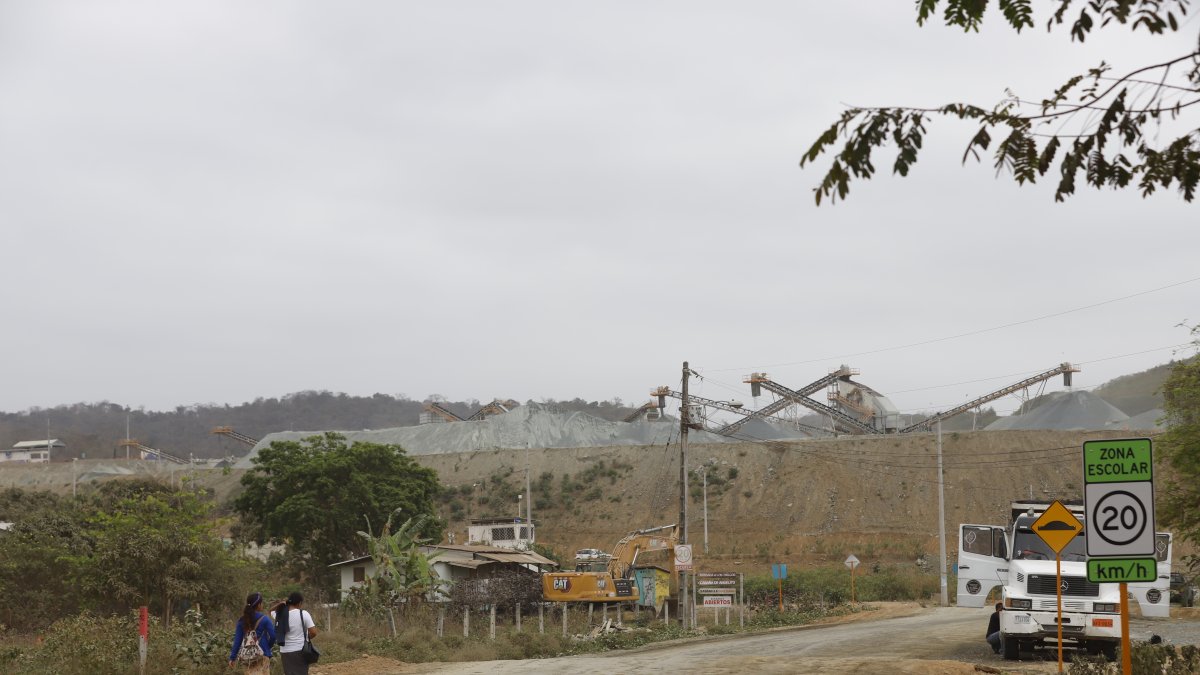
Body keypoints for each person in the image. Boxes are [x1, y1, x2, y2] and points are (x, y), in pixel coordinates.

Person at [229, 592, 276, 674]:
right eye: (261, 603)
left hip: (248, 657)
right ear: (258, 605)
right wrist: (268, 647)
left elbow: (237, 641)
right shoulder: (265, 619)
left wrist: (232, 658)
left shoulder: (242, 621)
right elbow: (273, 636)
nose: (262, 605)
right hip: (263, 655)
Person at [276, 591, 319, 675]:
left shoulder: (280, 614)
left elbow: (271, 611)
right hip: (299, 650)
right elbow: (313, 632)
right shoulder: (303, 614)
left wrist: (282, 604)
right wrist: (306, 637)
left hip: (284, 652)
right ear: (299, 603)